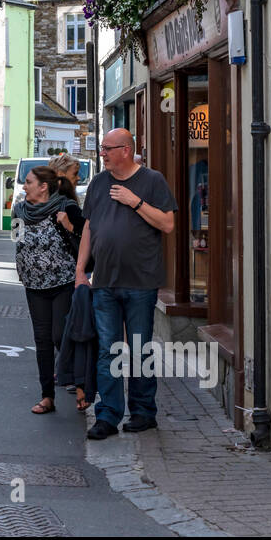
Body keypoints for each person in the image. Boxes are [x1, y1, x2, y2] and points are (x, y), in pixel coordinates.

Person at [76, 128, 177, 439]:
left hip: (140, 283)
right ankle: (107, 416)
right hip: (104, 281)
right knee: (108, 351)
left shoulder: (152, 181)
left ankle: (144, 412)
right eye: (102, 147)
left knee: (139, 350)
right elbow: (89, 229)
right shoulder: (98, 182)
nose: (102, 153)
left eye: (108, 148)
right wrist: (81, 270)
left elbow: (168, 224)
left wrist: (135, 202)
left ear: (126, 150)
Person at [13, 166, 84, 414]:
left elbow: (88, 237)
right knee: (41, 340)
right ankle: (47, 396)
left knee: (60, 334)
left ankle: (80, 383)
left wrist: (69, 227)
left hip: (63, 283)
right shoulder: (19, 210)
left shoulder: (66, 208)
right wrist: (22, 271)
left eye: (29, 182)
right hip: (33, 286)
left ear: (43, 186)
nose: (24, 187)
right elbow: (17, 243)